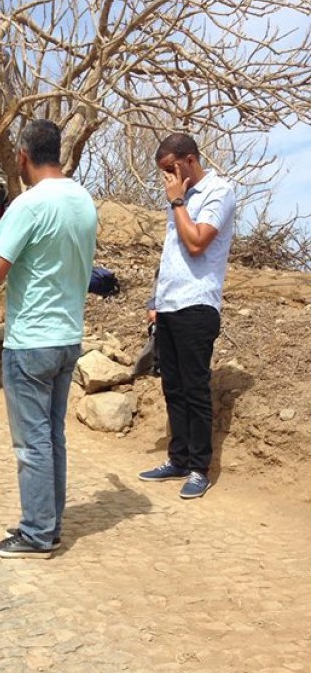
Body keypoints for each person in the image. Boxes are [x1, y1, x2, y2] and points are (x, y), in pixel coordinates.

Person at [0, 119, 97, 558]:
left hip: (31, 338)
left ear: (24, 157)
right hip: (68, 335)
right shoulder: (83, 201)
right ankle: (48, 524)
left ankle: (35, 533)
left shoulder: (30, 205)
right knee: (52, 436)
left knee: (32, 442)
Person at [138, 132, 235, 500]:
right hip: (170, 305)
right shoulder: (176, 199)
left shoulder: (217, 191)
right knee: (173, 386)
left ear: (189, 160)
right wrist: (155, 300)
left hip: (197, 305)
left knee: (195, 389)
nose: (166, 177)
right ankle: (178, 459)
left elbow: (196, 243)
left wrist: (178, 200)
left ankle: (199, 467)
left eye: (170, 169)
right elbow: (172, 253)